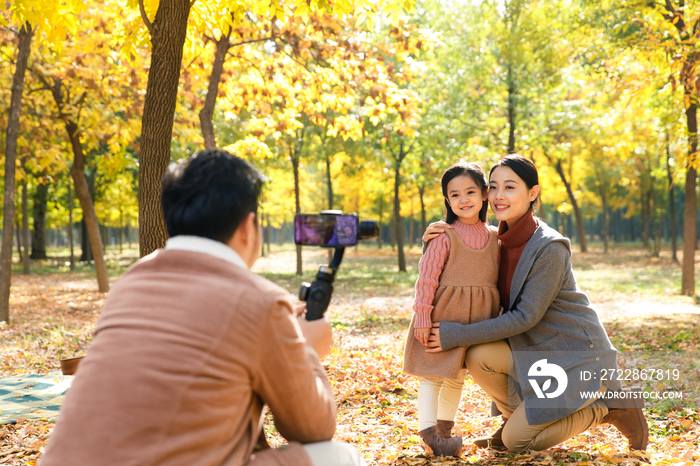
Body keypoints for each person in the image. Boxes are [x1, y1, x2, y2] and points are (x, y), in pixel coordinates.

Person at [40, 149, 363, 466]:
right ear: (248, 227)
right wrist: (307, 349)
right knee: (340, 457)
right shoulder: (260, 301)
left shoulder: (130, 282)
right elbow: (312, 427)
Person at [422, 155, 648, 452]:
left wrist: (456, 333)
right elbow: (453, 261)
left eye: (511, 187)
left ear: (533, 193)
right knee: (478, 356)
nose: (499, 196)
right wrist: (435, 239)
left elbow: (524, 317)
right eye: (493, 187)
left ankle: (608, 407)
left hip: (574, 359)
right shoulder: (495, 240)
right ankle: (514, 416)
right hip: (535, 352)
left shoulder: (549, 247)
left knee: (516, 442)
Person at [403, 162, 500, 457]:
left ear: (485, 194)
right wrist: (422, 318)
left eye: (470, 192)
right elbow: (426, 280)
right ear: (447, 200)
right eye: (454, 194)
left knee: (456, 377)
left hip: (474, 321)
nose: (463, 200)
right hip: (443, 316)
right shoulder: (444, 235)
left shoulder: (497, 237)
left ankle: (444, 433)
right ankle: (428, 433)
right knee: (433, 376)